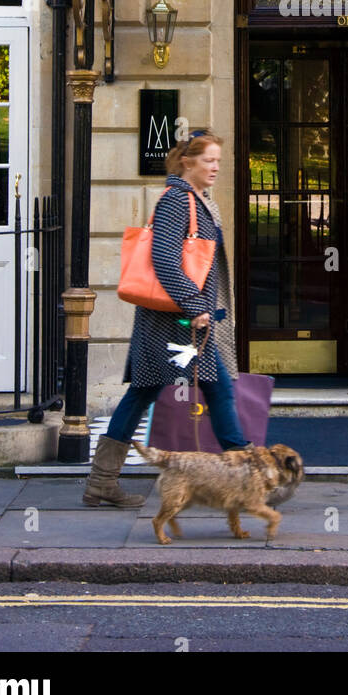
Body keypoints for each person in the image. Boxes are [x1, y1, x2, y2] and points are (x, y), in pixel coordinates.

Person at [83, 130, 250, 507]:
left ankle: (101, 482)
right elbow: (163, 260)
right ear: (187, 162)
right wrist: (195, 305)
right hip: (176, 322)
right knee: (218, 389)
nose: (216, 168)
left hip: (180, 320)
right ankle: (246, 472)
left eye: (218, 161)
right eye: (209, 160)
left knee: (144, 391)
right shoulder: (178, 201)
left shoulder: (197, 200)